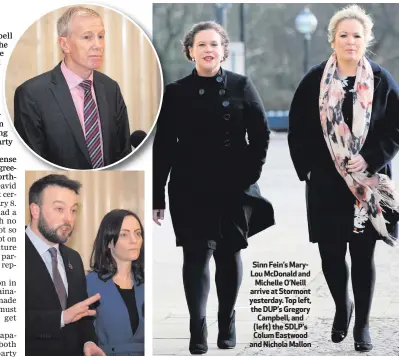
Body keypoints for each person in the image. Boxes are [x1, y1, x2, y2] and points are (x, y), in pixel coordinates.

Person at [153, 21, 274, 355]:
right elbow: (163, 145)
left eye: (215, 44)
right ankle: (197, 328)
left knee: (228, 253)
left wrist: (250, 172)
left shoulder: (241, 85)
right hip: (188, 185)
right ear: (190, 50)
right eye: (201, 44)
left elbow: (261, 134)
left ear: (224, 50)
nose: (208, 50)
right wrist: (156, 194)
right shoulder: (175, 92)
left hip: (232, 185)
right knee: (195, 256)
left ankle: (227, 322)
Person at [288, 5, 399, 352]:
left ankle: (362, 325)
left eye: (357, 36)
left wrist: (371, 158)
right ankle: (342, 307)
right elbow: (298, 130)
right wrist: (308, 169)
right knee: (331, 256)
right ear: (332, 40)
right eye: (344, 36)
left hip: (367, 182)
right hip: (325, 184)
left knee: (363, 256)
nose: (350, 42)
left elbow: (395, 128)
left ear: (366, 40)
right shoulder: (314, 80)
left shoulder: (381, 79)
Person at [14, 6, 131, 169]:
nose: (98, 45)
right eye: (87, 37)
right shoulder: (31, 94)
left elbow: (123, 153)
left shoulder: (111, 88)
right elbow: (33, 163)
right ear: (65, 44)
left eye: (101, 36)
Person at [25, 174, 105, 356]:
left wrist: (88, 342)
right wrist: (60, 318)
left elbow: (81, 313)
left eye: (73, 210)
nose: (69, 219)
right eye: (59, 209)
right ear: (35, 210)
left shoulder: (73, 258)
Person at [87, 209, 144, 356]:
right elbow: (81, 333)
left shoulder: (147, 283)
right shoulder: (90, 284)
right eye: (124, 234)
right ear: (108, 242)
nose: (134, 240)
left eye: (138, 233)